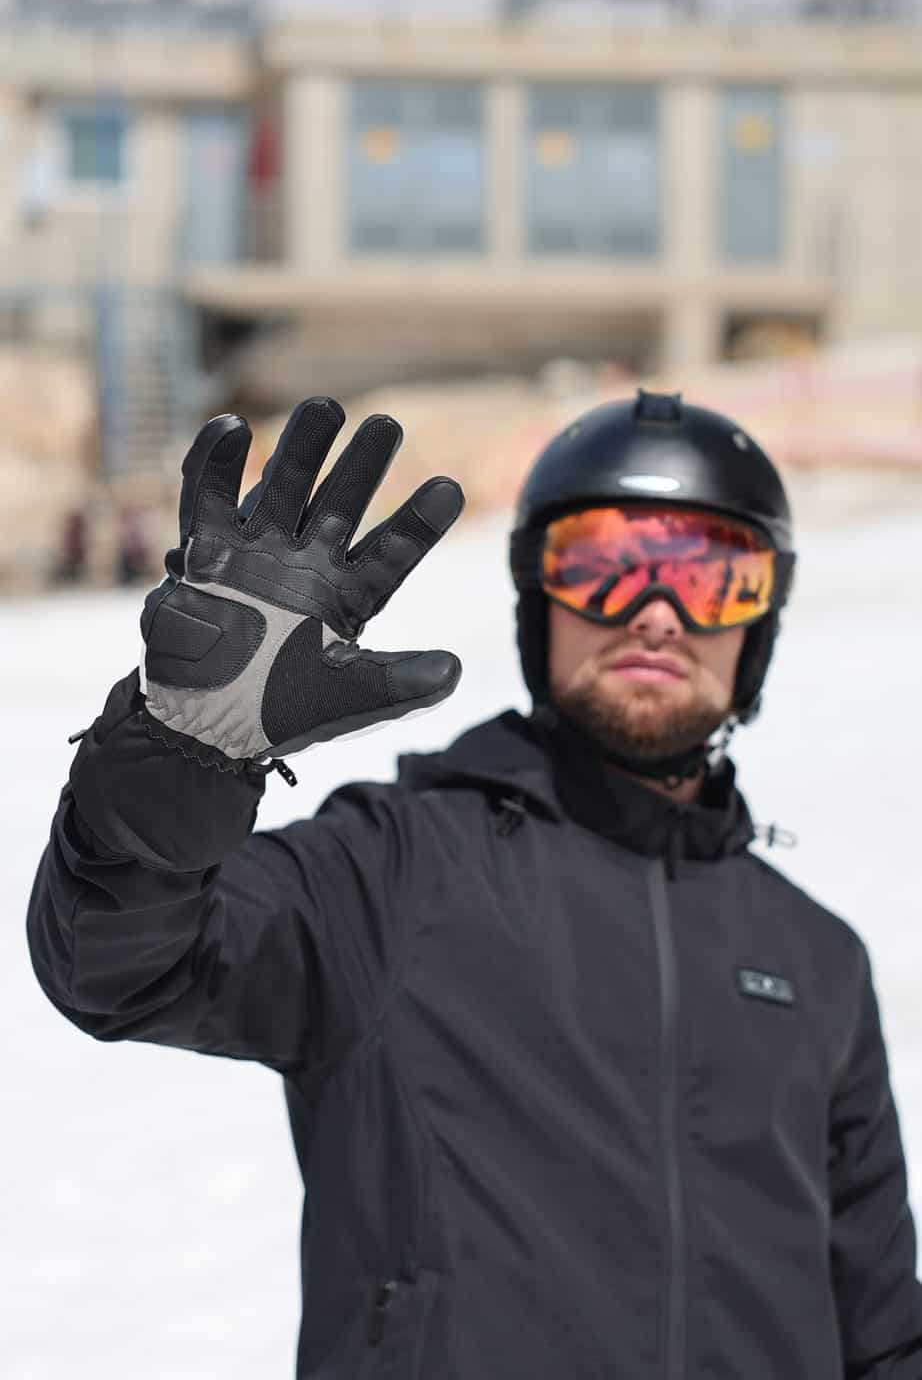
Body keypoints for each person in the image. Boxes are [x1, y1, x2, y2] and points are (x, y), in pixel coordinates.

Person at [27, 391, 922, 1379]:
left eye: (713, 578)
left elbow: (882, 1334)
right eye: (604, 567)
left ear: (761, 621)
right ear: (540, 598)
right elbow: (123, 965)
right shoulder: (391, 873)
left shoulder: (817, 963)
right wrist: (178, 754)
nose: (658, 617)